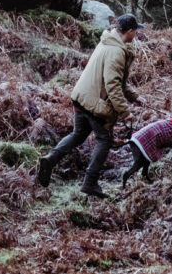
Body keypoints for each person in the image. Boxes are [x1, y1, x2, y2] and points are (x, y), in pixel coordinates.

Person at [36, 12, 144, 198]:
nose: (136, 35)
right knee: (104, 139)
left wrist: (134, 97)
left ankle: (50, 159)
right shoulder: (117, 52)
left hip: (82, 97)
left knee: (78, 134)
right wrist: (126, 113)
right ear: (131, 31)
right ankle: (90, 182)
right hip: (95, 102)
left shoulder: (107, 42)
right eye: (136, 31)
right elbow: (112, 85)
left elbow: (117, 81)